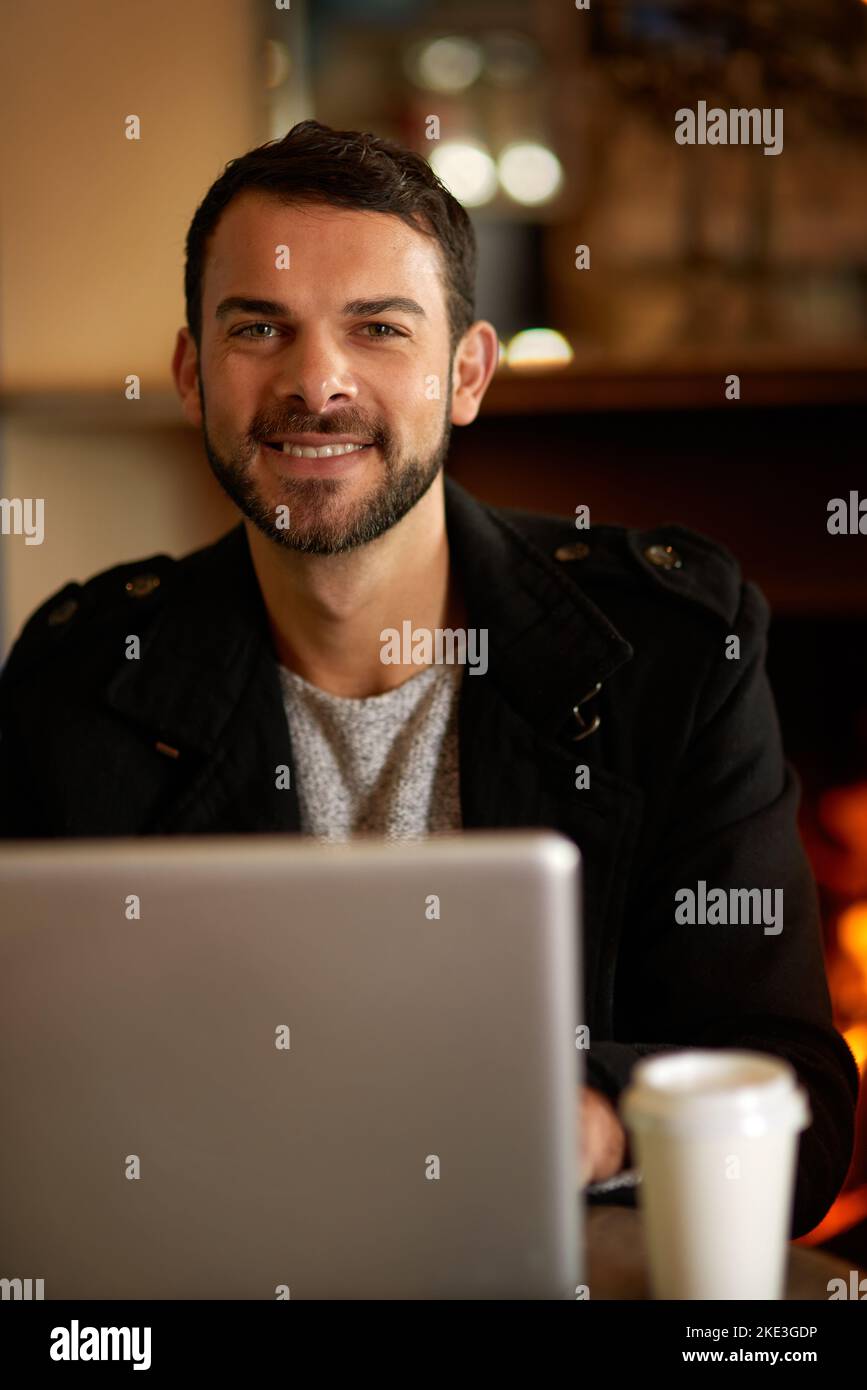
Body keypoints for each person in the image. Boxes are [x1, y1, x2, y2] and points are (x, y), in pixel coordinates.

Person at [0, 121, 858, 1236]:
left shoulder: (673, 653)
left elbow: (799, 1106)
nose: (318, 382)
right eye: (260, 327)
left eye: (378, 329)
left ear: (467, 373)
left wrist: (588, 1120)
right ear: (189, 374)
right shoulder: (81, 676)